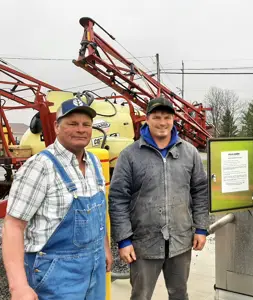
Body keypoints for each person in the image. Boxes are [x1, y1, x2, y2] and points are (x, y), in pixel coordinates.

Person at [2, 98, 113, 300]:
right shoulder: (40, 166)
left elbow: (97, 212)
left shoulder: (94, 163)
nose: (81, 129)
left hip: (94, 269)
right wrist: (18, 286)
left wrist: (104, 247)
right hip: (56, 276)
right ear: (57, 126)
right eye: (72, 123)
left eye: (86, 124)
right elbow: (13, 225)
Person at [109, 96, 209, 300]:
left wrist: (201, 228)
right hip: (143, 244)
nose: (162, 122)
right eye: (156, 117)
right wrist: (123, 240)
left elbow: (200, 191)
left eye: (167, 117)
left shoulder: (189, 153)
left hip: (180, 241)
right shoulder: (130, 155)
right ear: (147, 119)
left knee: (179, 293)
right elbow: (118, 198)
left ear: (173, 120)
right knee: (141, 295)